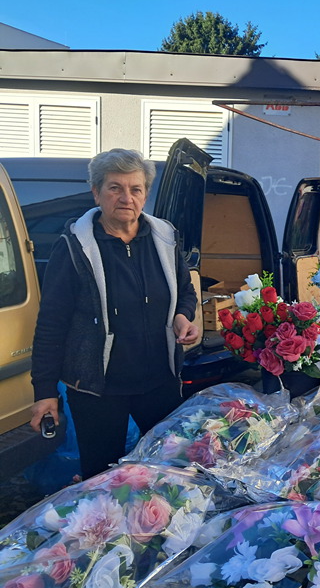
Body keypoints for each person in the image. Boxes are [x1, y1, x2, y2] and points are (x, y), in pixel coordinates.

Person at [29, 148, 199, 479]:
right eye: (115, 188)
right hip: (98, 392)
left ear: (146, 194)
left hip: (159, 384)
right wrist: (45, 391)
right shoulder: (75, 247)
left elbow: (185, 291)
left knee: (168, 472)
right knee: (103, 478)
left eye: (136, 189)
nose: (126, 198)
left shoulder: (165, 237)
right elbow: (51, 323)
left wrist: (183, 314)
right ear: (96, 192)